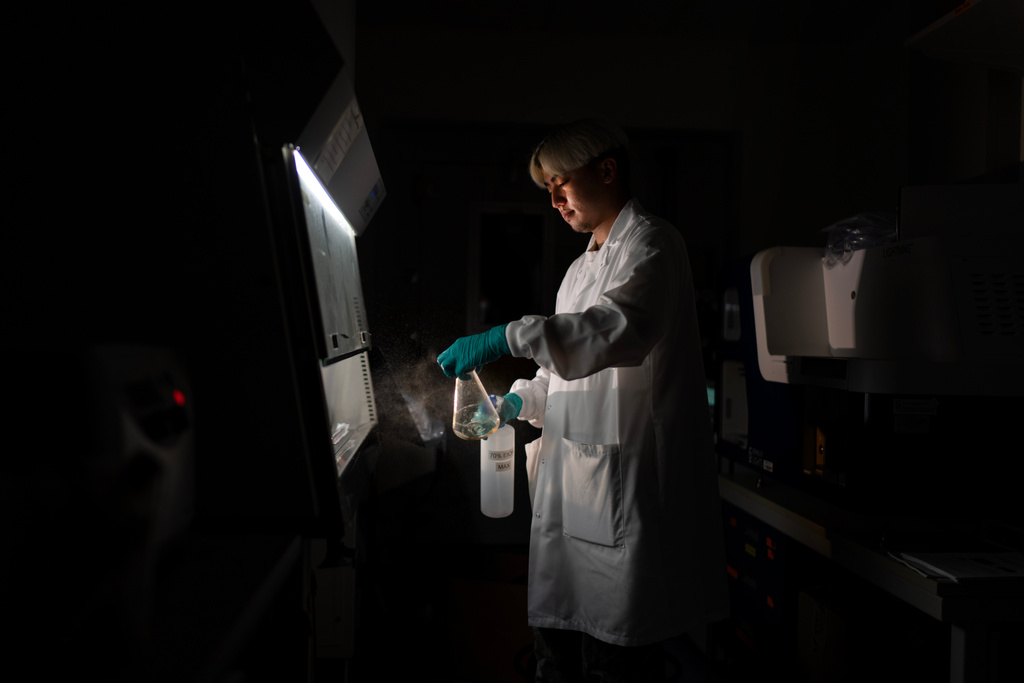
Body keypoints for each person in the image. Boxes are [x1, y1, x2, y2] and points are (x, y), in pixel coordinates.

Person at [437, 118, 728, 682]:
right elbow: (565, 372)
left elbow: (616, 330)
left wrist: (506, 336)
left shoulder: (654, 245)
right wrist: (519, 402)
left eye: (560, 184)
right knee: (558, 657)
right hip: (570, 502)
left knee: (614, 662)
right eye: (547, 190)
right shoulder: (577, 270)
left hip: (623, 502)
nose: (554, 201)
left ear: (607, 170)